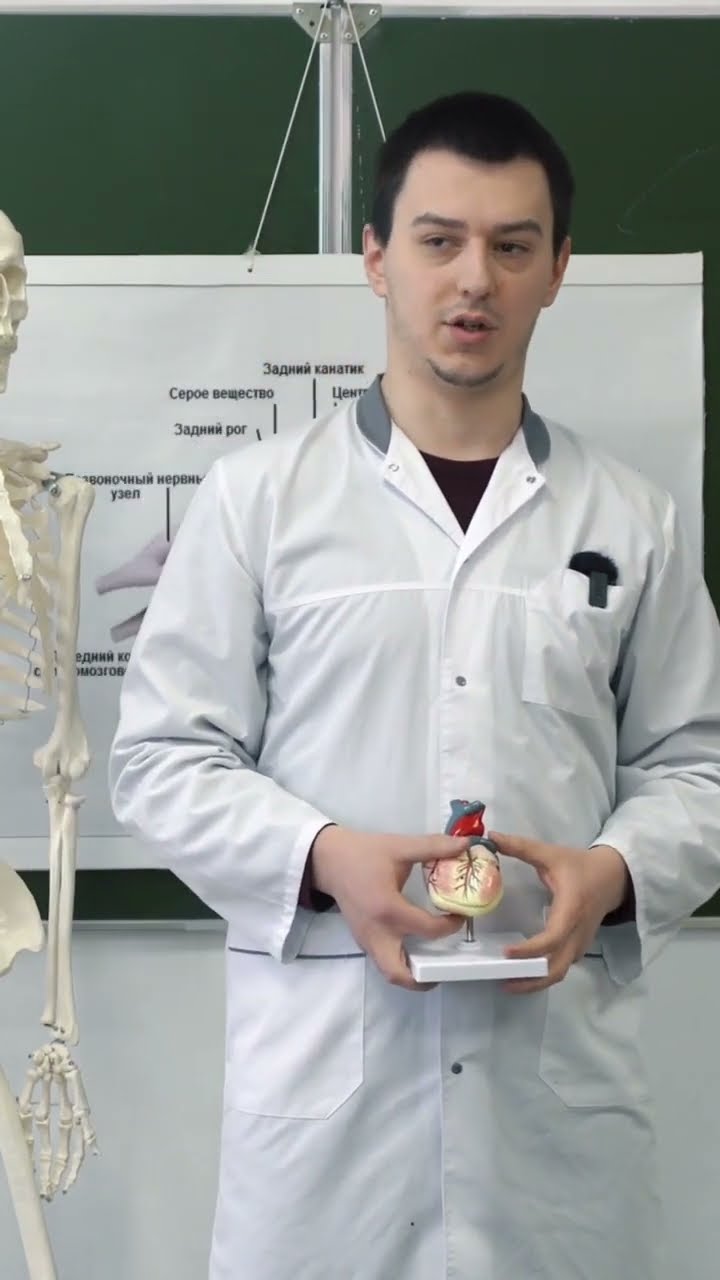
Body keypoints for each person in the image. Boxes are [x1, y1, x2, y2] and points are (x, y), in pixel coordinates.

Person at [108, 90, 720, 1280]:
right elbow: (160, 759)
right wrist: (325, 855)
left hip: (554, 1122)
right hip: (331, 1114)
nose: (474, 279)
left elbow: (700, 766)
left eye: (513, 245)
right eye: (440, 240)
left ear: (559, 270)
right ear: (378, 259)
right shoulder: (258, 501)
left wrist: (613, 871)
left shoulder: (632, 520)